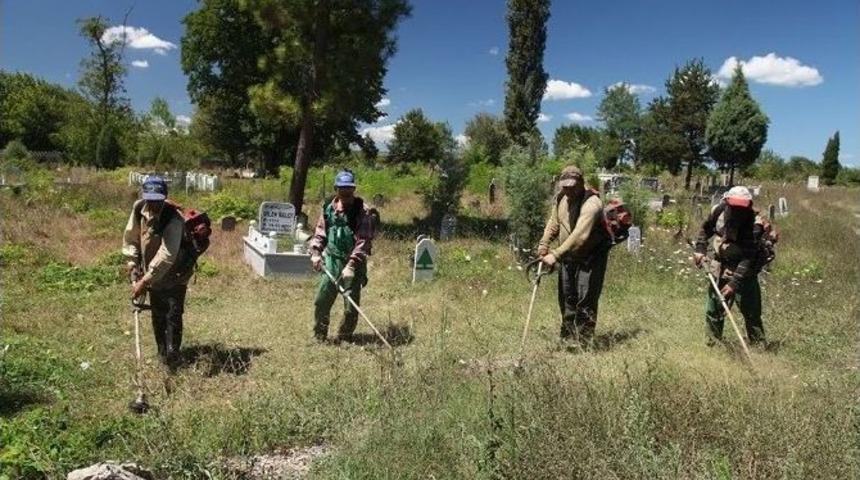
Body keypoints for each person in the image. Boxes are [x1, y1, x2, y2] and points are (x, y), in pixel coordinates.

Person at [122, 177, 195, 368]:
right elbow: (131, 237)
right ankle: (162, 353)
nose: (153, 203)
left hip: (176, 272)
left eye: (158, 199)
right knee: (157, 313)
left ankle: (173, 355)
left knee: (172, 312)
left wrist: (144, 282)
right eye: (150, 199)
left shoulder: (174, 219)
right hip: (152, 274)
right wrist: (133, 263)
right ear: (144, 196)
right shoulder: (139, 209)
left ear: (165, 197)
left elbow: (166, 255)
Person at [538, 165, 611, 346]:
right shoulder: (562, 198)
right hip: (568, 257)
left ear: (581, 183)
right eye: (565, 186)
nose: (568, 189)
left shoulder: (592, 203)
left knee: (585, 299)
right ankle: (568, 335)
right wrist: (544, 244)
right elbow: (554, 223)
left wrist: (555, 254)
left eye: (572, 186)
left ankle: (584, 341)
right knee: (567, 297)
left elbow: (580, 236)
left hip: (590, 258)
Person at [693, 186, 766, 346]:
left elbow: (748, 256)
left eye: (742, 207)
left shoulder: (754, 224)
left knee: (751, 312)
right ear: (726, 202)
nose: (738, 210)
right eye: (734, 206)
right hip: (721, 266)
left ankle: (759, 345)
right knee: (715, 308)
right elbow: (705, 229)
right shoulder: (718, 211)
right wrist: (700, 249)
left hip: (745, 271)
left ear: (749, 205)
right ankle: (713, 343)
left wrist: (734, 283)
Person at [309, 169, 375, 343]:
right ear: (336, 189)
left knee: (350, 309)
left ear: (354, 189)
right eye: (342, 189)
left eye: (349, 189)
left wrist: (351, 266)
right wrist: (316, 253)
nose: (346, 193)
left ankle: (345, 337)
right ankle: (320, 337)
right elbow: (320, 233)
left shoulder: (363, 211)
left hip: (353, 263)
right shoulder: (328, 209)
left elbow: (364, 241)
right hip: (332, 260)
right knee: (321, 301)